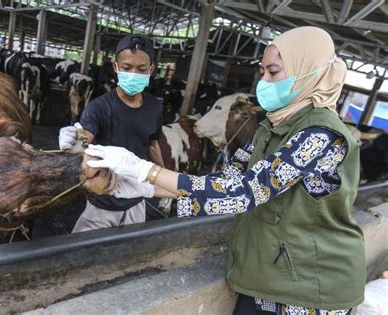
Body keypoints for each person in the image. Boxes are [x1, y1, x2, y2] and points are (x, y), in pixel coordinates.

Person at [85, 27, 365, 315]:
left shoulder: (321, 136)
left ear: (310, 72)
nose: (263, 81)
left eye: (274, 72)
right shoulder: (270, 128)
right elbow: (225, 181)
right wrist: (149, 189)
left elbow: (246, 193)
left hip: (311, 290)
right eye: (263, 72)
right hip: (268, 275)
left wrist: (147, 170)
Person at [59, 34, 164, 233]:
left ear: (151, 70)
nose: (134, 73)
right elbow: (85, 138)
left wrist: (164, 178)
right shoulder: (99, 107)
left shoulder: (154, 107)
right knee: (81, 252)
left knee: (130, 254)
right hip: (103, 201)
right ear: (115, 68)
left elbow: (153, 144)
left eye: (141, 69)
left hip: (136, 198)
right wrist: (76, 140)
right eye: (126, 68)